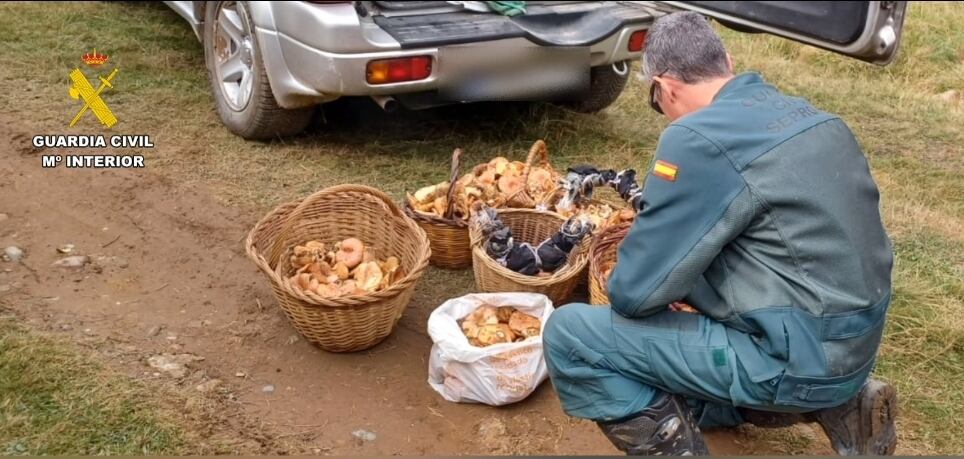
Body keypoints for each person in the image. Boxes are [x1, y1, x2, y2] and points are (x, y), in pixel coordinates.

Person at [542, 11, 897, 456]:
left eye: (658, 101)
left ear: (664, 87)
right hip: (856, 346)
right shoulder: (817, 118)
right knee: (694, 356)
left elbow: (634, 294)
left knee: (571, 334)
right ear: (726, 61)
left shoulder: (696, 138)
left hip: (798, 361)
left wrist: (652, 279)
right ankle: (844, 404)